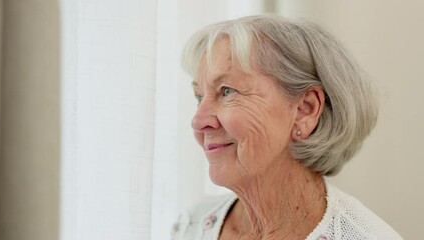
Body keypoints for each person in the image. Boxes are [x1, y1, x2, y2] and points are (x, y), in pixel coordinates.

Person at [171, 14, 402, 240]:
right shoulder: (191, 225)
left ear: (305, 110)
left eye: (227, 91)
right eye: (199, 97)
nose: (198, 121)